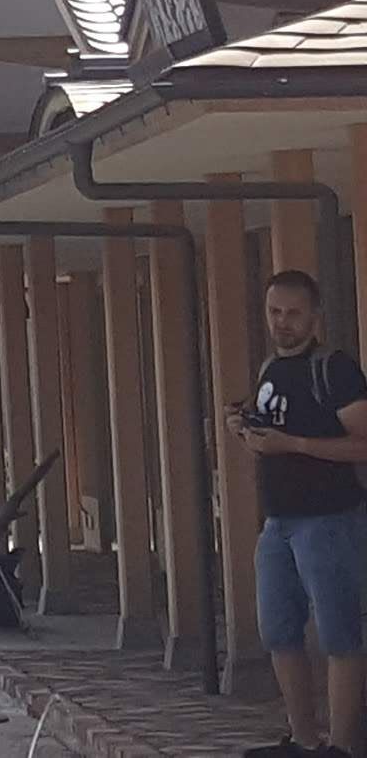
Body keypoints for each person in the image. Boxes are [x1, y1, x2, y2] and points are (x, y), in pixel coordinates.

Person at [233, 269, 367, 758]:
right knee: (279, 631)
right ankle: (304, 740)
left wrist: (294, 443)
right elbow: (274, 435)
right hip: (277, 523)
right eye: (274, 312)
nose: (282, 322)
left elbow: (363, 442)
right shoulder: (271, 367)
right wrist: (247, 431)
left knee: (339, 633)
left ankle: (344, 746)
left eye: (292, 313)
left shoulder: (334, 368)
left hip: (330, 520)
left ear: (314, 316)